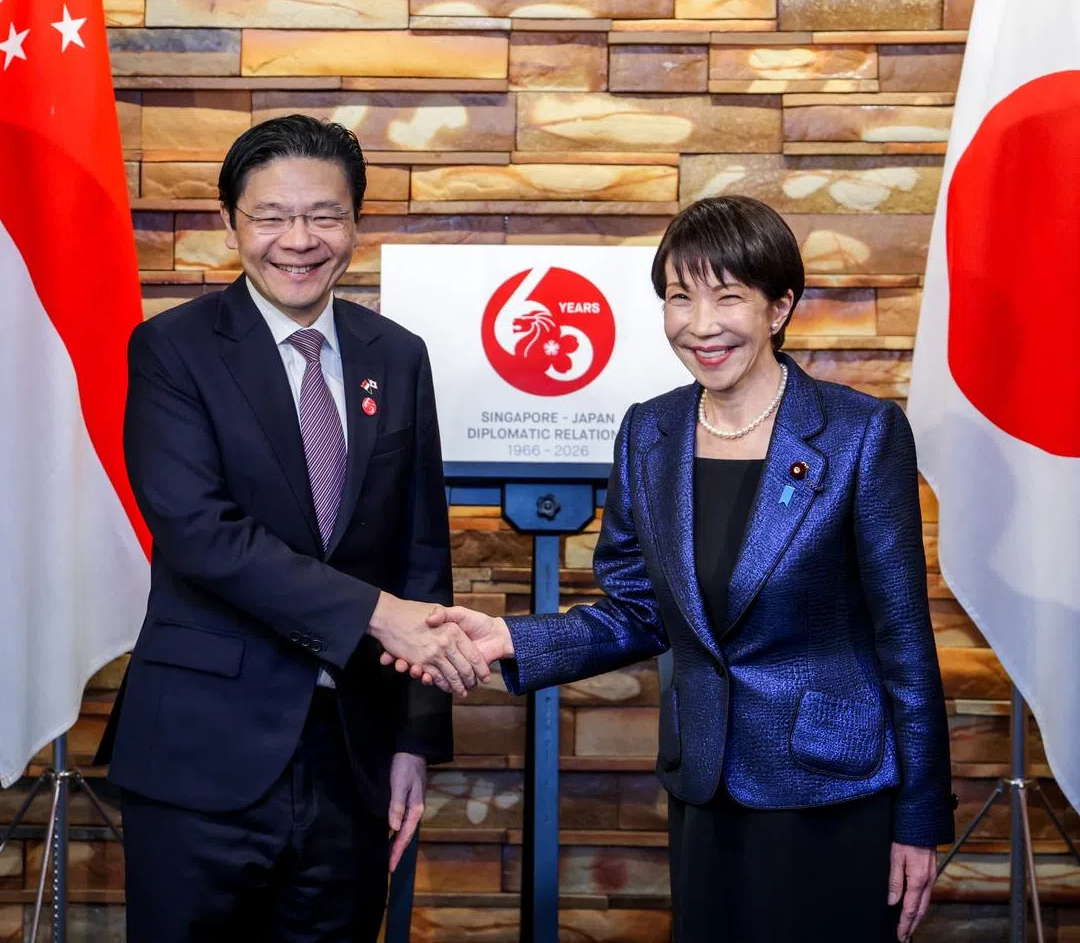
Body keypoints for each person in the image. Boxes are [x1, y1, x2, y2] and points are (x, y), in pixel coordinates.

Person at [391, 196, 956, 942]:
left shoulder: (861, 433)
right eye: (680, 297)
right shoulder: (649, 432)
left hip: (833, 790)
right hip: (705, 784)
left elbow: (905, 640)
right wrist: (510, 638)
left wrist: (920, 817)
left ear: (779, 307)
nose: (700, 324)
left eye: (728, 297)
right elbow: (638, 610)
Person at [95, 114, 490, 943]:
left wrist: (414, 741)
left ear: (356, 223)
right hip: (202, 754)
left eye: (324, 216)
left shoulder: (398, 355)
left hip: (353, 759)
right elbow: (200, 533)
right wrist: (374, 614)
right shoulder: (173, 349)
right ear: (230, 221)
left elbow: (422, 554)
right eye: (272, 216)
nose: (299, 240)